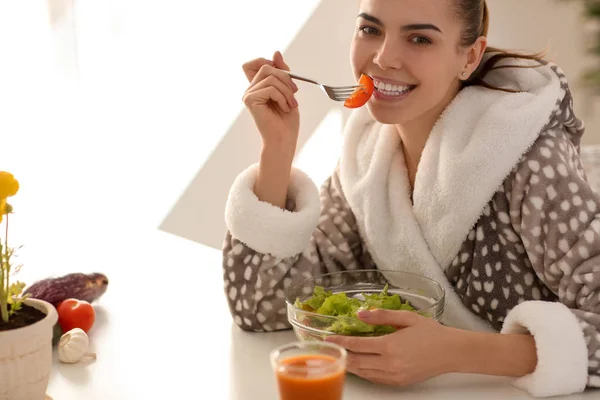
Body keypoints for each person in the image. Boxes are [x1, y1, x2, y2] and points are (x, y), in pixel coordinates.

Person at [221, 0, 600, 397]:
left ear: (469, 56)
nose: (384, 58)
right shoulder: (367, 160)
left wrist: (457, 351)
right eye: (370, 30)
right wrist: (277, 148)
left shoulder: (529, 156)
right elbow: (262, 306)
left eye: (419, 38)